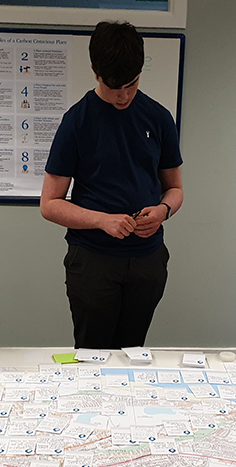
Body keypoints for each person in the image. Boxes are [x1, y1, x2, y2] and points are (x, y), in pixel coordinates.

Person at [40, 21, 184, 349]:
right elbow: (50, 205)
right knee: (93, 355)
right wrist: (102, 220)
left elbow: (175, 190)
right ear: (95, 72)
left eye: (131, 85)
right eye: (114, 86)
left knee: (132, 352)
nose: (123, 95)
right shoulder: (77, 121)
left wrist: (163, 210)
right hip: (93, 261)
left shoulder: (158, 118)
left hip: (147, 260)